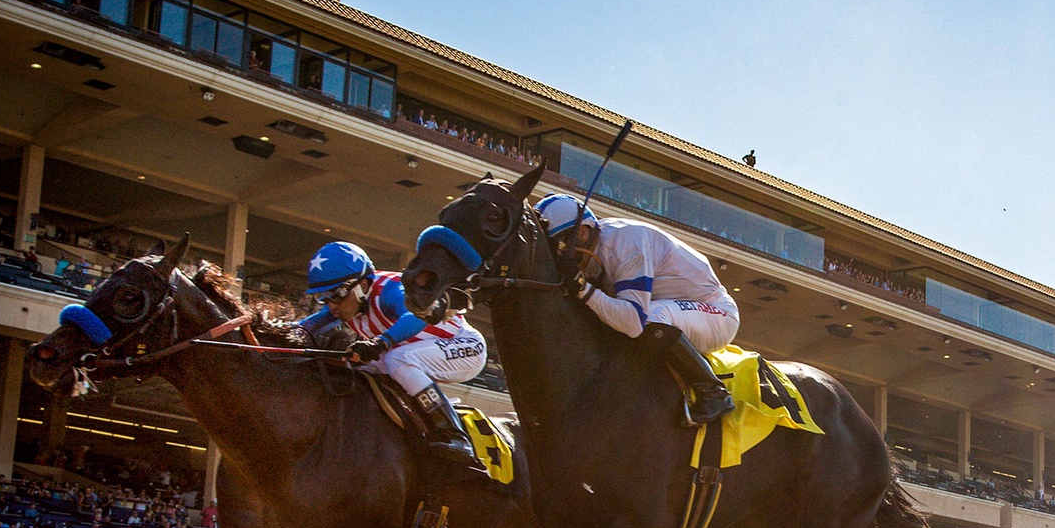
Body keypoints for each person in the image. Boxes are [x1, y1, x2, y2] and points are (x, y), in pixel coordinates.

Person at [533, 193, 739, 424]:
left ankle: (713, 392)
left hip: (716, 312)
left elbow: (633, 322)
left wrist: (583, 289)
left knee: (652, 316)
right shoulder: (598, 247)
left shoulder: (627, 243)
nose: (557, 257)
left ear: (581, 233)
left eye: (559, 246)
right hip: (677, 311)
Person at [297, 241, 487, 471]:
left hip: (465, 347)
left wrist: (379, 343)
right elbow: (301, 329)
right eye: (323, 298)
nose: (331, 305)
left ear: (362, 285)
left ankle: (453, 433)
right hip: (416, 353)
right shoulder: (345, 304)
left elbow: (417, 317)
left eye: (336, 295)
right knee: (359, 373)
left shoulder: (389, 290)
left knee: (395, 358)